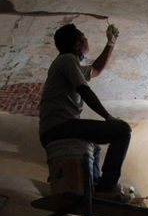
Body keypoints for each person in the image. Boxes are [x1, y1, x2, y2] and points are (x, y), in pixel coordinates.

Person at [39, 22, 132, 202]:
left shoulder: (65, 63)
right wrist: (108, 117)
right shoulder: (67, 60)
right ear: (77, 44)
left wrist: (110, 43)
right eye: (84, 37)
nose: (87, 40)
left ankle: (96, 187)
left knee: (95, 147)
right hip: (60, 127)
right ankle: (106, 187)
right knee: (122, 131)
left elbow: (95, 69)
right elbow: (84, 90)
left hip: (54, 128)